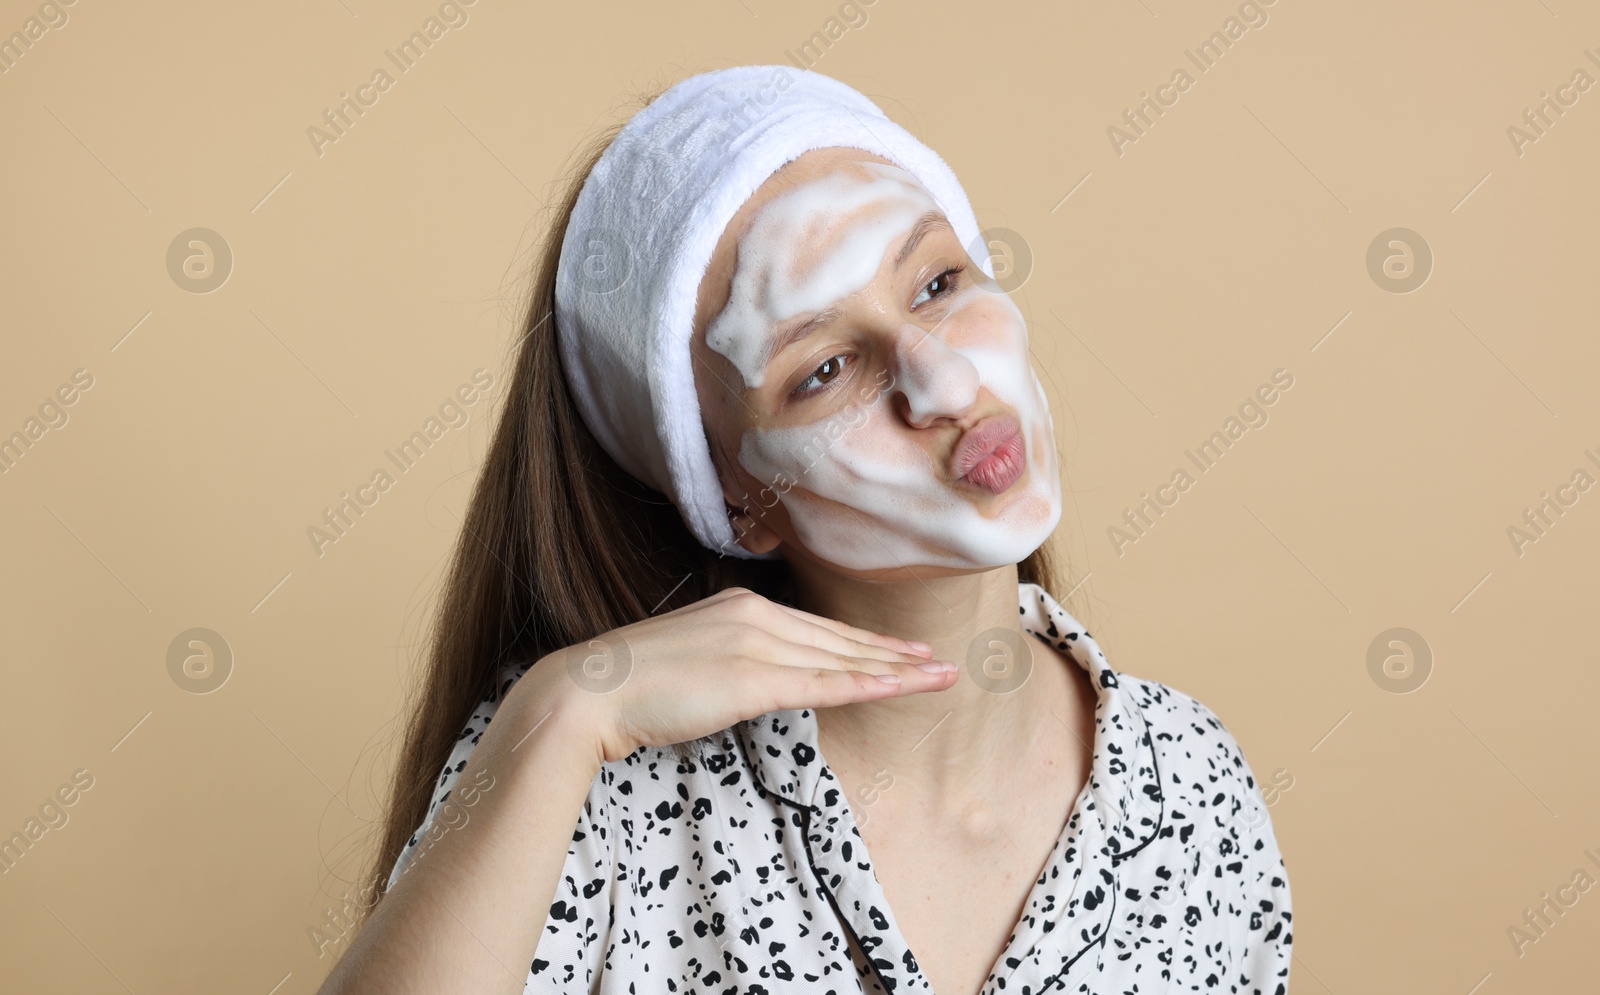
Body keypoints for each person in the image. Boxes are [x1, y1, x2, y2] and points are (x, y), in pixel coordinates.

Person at [316, 65, 1292, 995]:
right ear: (736, 493)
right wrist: (560, 710)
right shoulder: (583, 782)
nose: (946, 382)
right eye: (823, 368)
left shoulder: (1192, 782)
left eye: (939, 283)